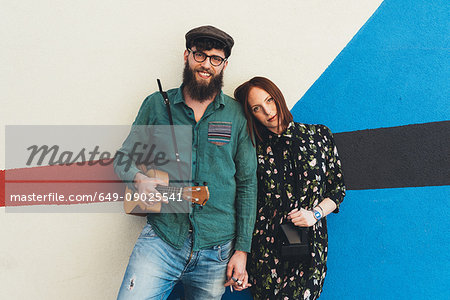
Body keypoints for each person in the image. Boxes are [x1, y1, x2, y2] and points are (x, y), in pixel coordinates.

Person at [114, 25, 257, 299]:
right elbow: (124, 158)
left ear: (224, 65)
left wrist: (242, 250)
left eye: (215, 59)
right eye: (200, 55)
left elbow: (248, 183)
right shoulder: (157, 105)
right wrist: (138, 178)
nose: (206, 65)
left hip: (217, 249)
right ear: (186, 56)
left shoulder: (237, 115)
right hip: (163, 239)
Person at [234, 77, 346, 300]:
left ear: (278, 97)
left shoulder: (319, 136)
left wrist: (314, 214)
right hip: (265, 248)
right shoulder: (253, 149)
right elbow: (244, 200)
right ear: (252, 114)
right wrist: (241, 256)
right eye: (257, 108)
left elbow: (338, 188)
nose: (267, 111)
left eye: (269, 100)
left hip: (309, 245)